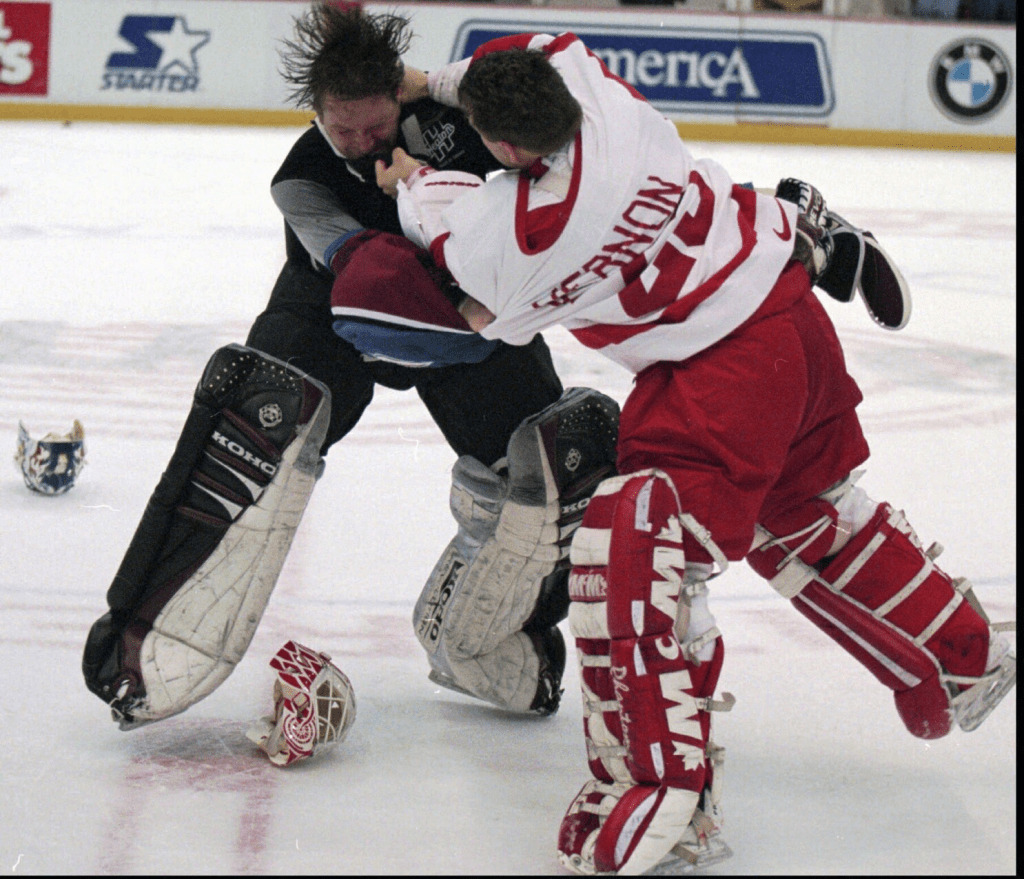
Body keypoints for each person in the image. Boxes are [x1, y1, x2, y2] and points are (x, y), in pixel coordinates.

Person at [375, 34, 1016, 875]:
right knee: (803, 512)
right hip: (787, 311)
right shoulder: (598, 94)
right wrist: (428, 80)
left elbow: (478, 298)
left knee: (637, 539)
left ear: (503, 149)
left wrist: (405, 186)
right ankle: (957, 653)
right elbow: (528, 55)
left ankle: (668, 792)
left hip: (721, 369)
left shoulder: (515, 234)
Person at [81, 7, 622, 747]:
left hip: (463, 310)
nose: (366, 148)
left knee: (554, 455)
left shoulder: (461, 121)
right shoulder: (301, 177)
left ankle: (507, 646)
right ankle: (145, 636)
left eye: (378, 130)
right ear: (318, 117)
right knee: (257, 410)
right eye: (347, 134)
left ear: (399, 100)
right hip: (340, 311)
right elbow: (366, 276)